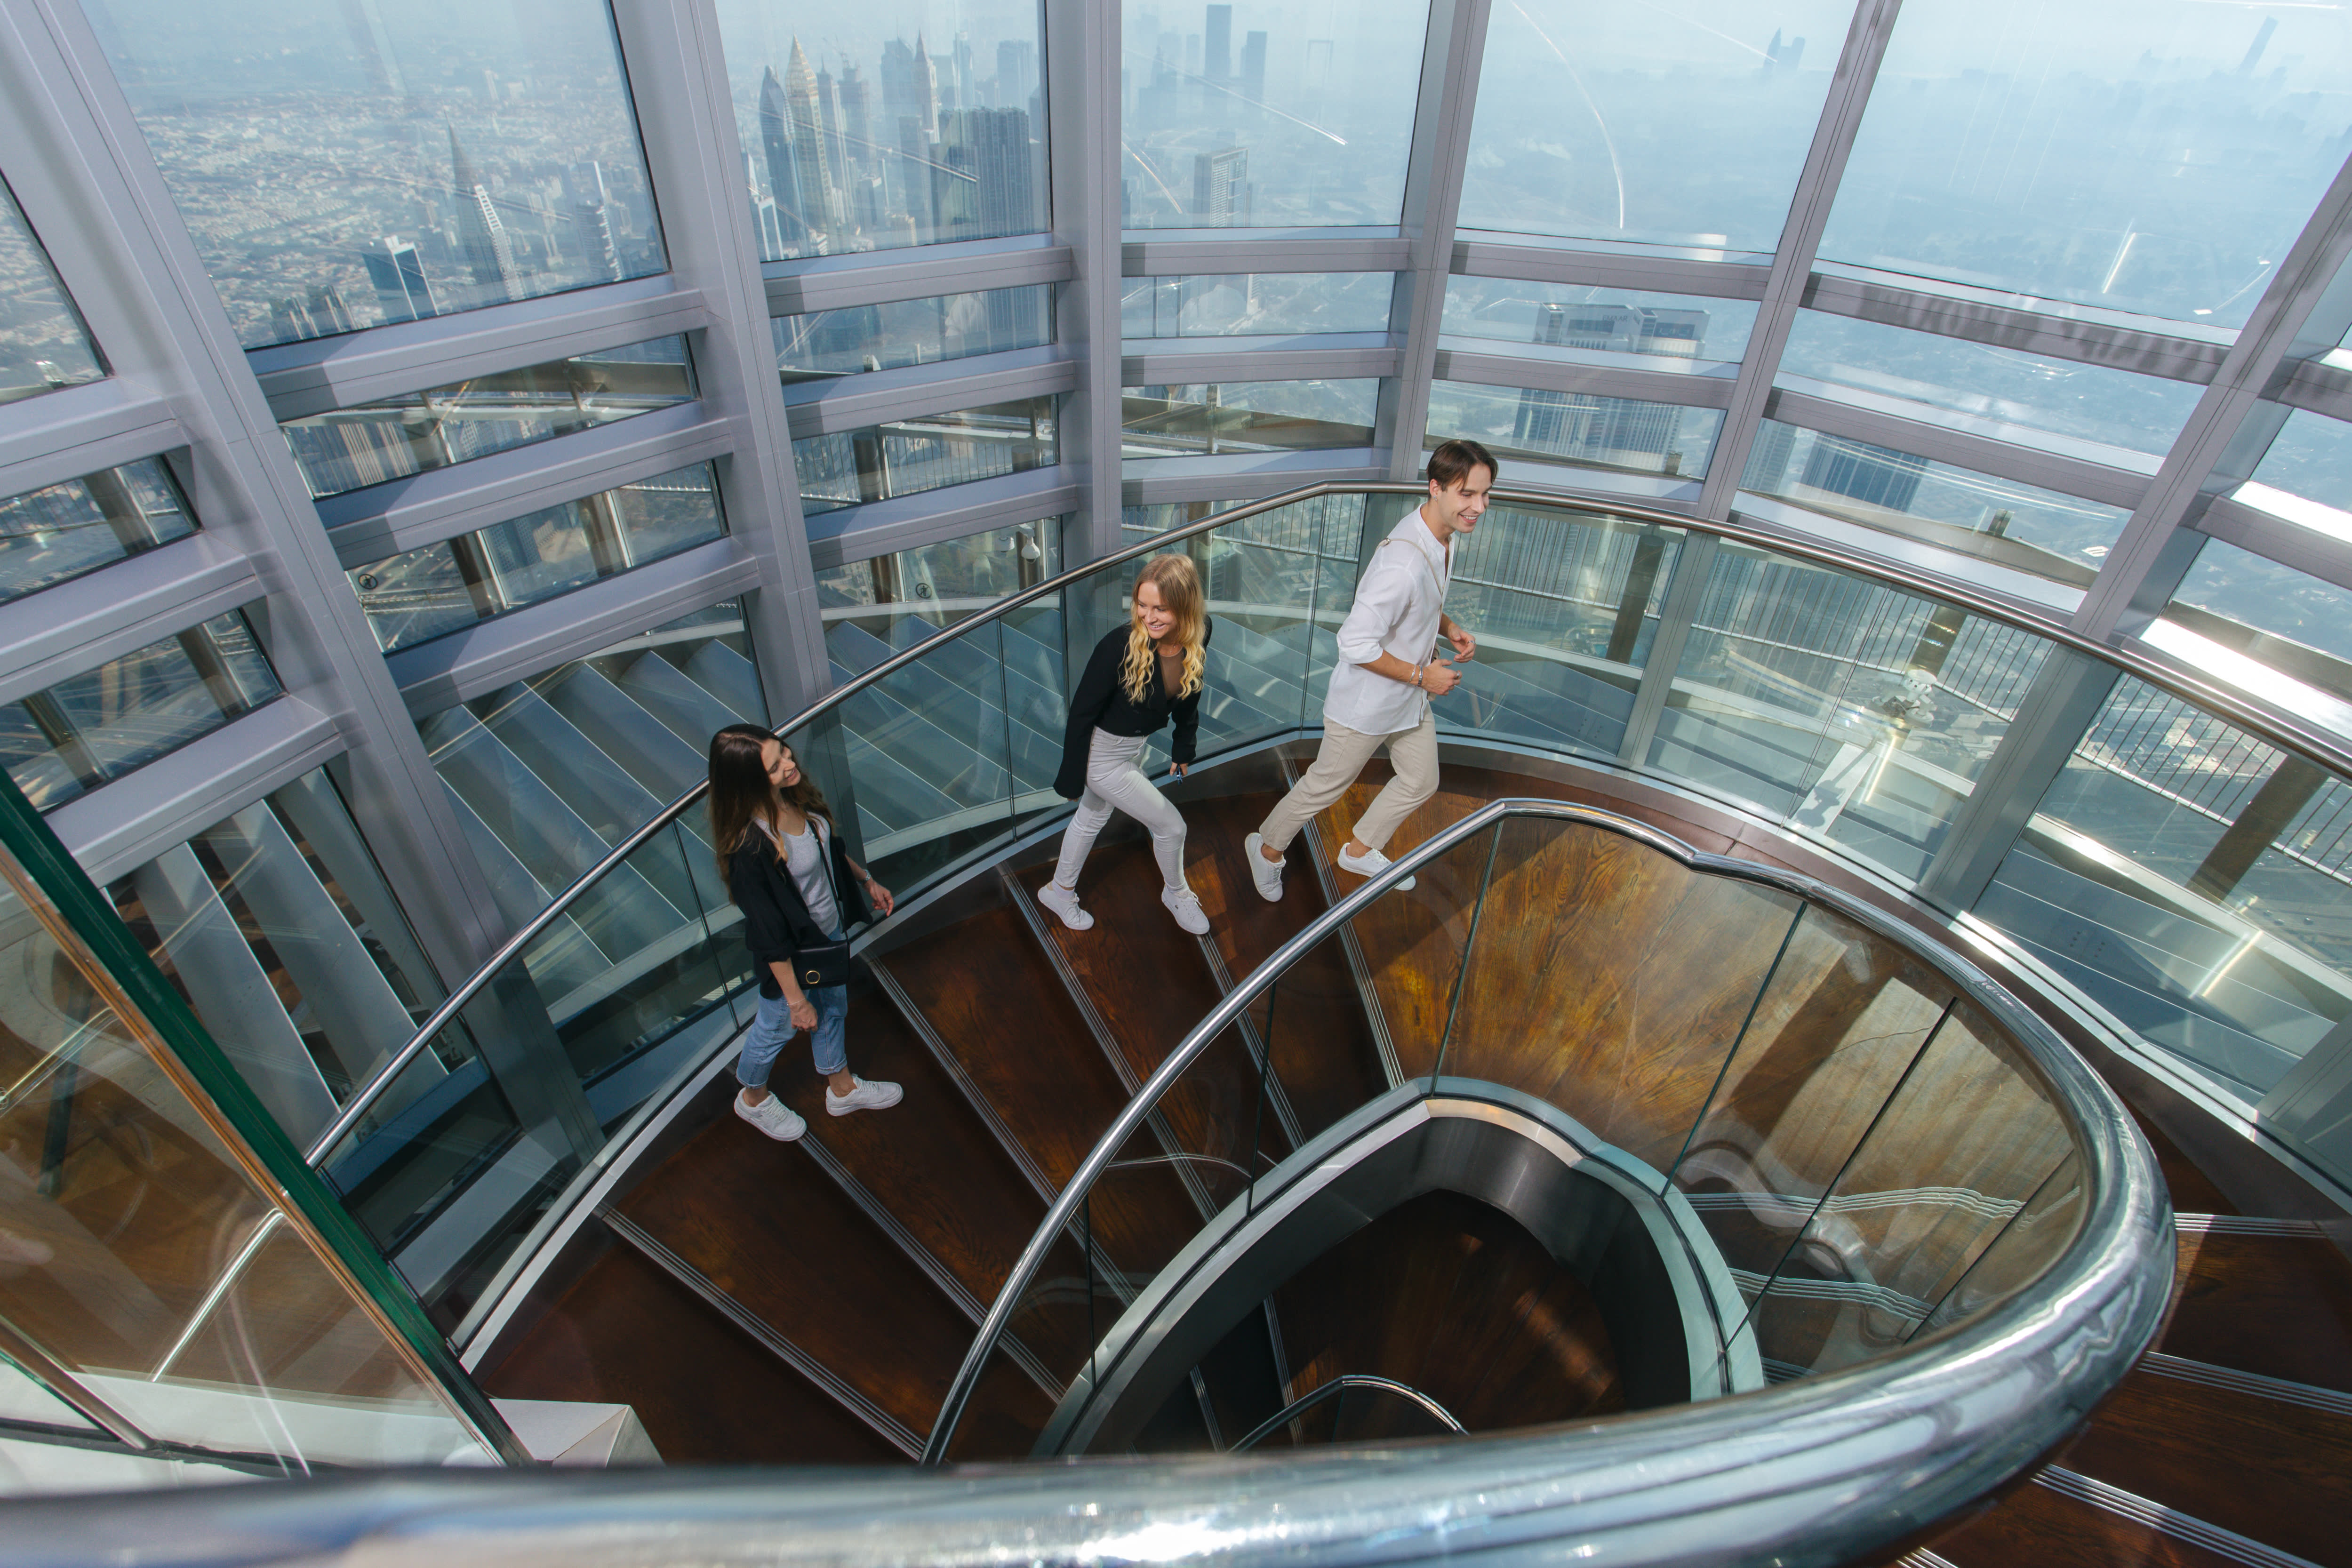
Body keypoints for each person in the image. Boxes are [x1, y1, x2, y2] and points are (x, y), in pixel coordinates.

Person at [1246, 439, 1494, 900]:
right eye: (1467, 494)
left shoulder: (1442, 537)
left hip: (1407, 698)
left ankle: (1359, 851)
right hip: (1367, 705)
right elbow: (1353, 642)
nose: (1478, 506)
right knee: (1325, 785)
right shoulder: (1401, 563)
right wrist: (1425, 676)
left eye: (1484, 494)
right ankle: (1265, 849)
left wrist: (1448, 625)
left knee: (1422, 779)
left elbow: (1421, 602)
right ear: (1435, 487)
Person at [708, 724, 902, 1142]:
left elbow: (827, 846)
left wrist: (866, 880)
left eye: (785, 754)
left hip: (827, 939)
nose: (790, 765)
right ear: (749, 782)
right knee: (775, 1028)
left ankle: (842, 1088)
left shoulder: (793, 797)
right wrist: (796, 1002)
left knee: (834, 1008)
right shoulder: (750, 848)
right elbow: (768, 935)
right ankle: (753, 1100)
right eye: (775, 766)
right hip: (792, 961)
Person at [1037, 552, 1215, 936]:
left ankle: (1059, 891)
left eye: (1161, 609)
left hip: (1134, 746)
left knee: (1092, 817)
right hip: (1103, 757)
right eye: (1142, 604)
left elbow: (1191, 693)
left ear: (1186, 608)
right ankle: (1176, 893)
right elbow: (1081, 714)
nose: (1148, 617)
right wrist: (1071, 779)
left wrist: (1184, 745)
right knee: (1172, 828)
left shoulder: (1200, 632)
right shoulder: (1117, 646)